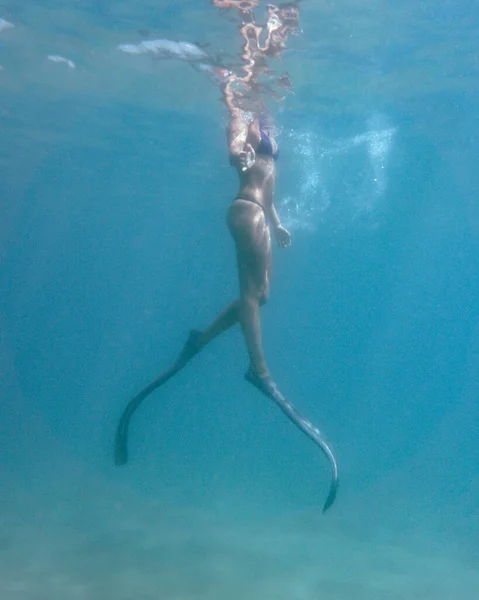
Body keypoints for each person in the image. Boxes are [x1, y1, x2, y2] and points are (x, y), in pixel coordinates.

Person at [114, 1, 339, 512]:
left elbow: (269, 182)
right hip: (243, 211)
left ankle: (204, 338)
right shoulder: (242, 116)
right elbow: (237, 147)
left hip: (257, 213)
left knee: (261, 294)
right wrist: (237, 136)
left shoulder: (267, 120)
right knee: (251, 294)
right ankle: (259, 371)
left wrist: (278, 221)